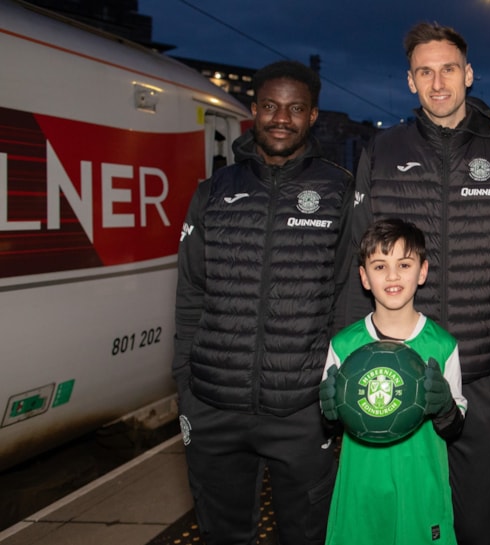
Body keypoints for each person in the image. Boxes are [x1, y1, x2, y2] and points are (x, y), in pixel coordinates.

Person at [334, 22, 490, 545]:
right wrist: (348, 358)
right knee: (403, 526)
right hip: (392, 375)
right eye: (425, 72)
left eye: (448, 69)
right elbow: (359, 256)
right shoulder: (384, 149)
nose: (438, 83)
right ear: (410, 81)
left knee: (481, 524)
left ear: (469, 74)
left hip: (482, 377)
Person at [172, 60, 352, 545]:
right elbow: (190, 294)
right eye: (270, 106)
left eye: (295, 108)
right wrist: (185, 388)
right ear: (253, 111)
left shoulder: (340, 191)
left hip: (302, 410)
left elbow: (348, 297)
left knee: (307, 535)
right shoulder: (212, 193)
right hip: (214, 407)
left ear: (312, 116)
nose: (281, 118)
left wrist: (332, 390)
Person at [319, 218, 467, 544]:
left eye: (404, 264)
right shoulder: (344, 346)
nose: (393, 275)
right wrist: (328, 414)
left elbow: (455, 428)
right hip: (361, 492)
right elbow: (329, 429)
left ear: (423, 272)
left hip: (421, 491)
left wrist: (444, 408)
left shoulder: (442, 347)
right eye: (380, 266)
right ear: (364, 278)